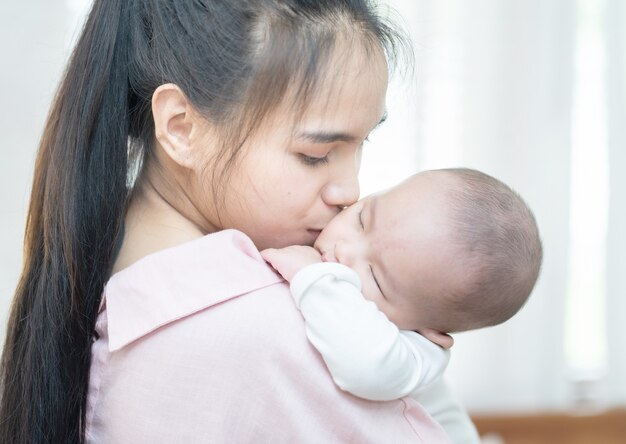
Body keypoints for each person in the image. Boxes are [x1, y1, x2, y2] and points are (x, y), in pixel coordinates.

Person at [0, 1, 479, 443]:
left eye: (361, 145)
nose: (349, 191)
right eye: (316, 155)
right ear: (182, 128)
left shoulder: (100, 253)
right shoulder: (269, 327)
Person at [262, 168, 543, 401]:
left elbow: (365, 368)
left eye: (375, 277)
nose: (345, 249)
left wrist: (314, 278)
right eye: (361, 220)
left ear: (430, 333)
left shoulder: (415, 356)